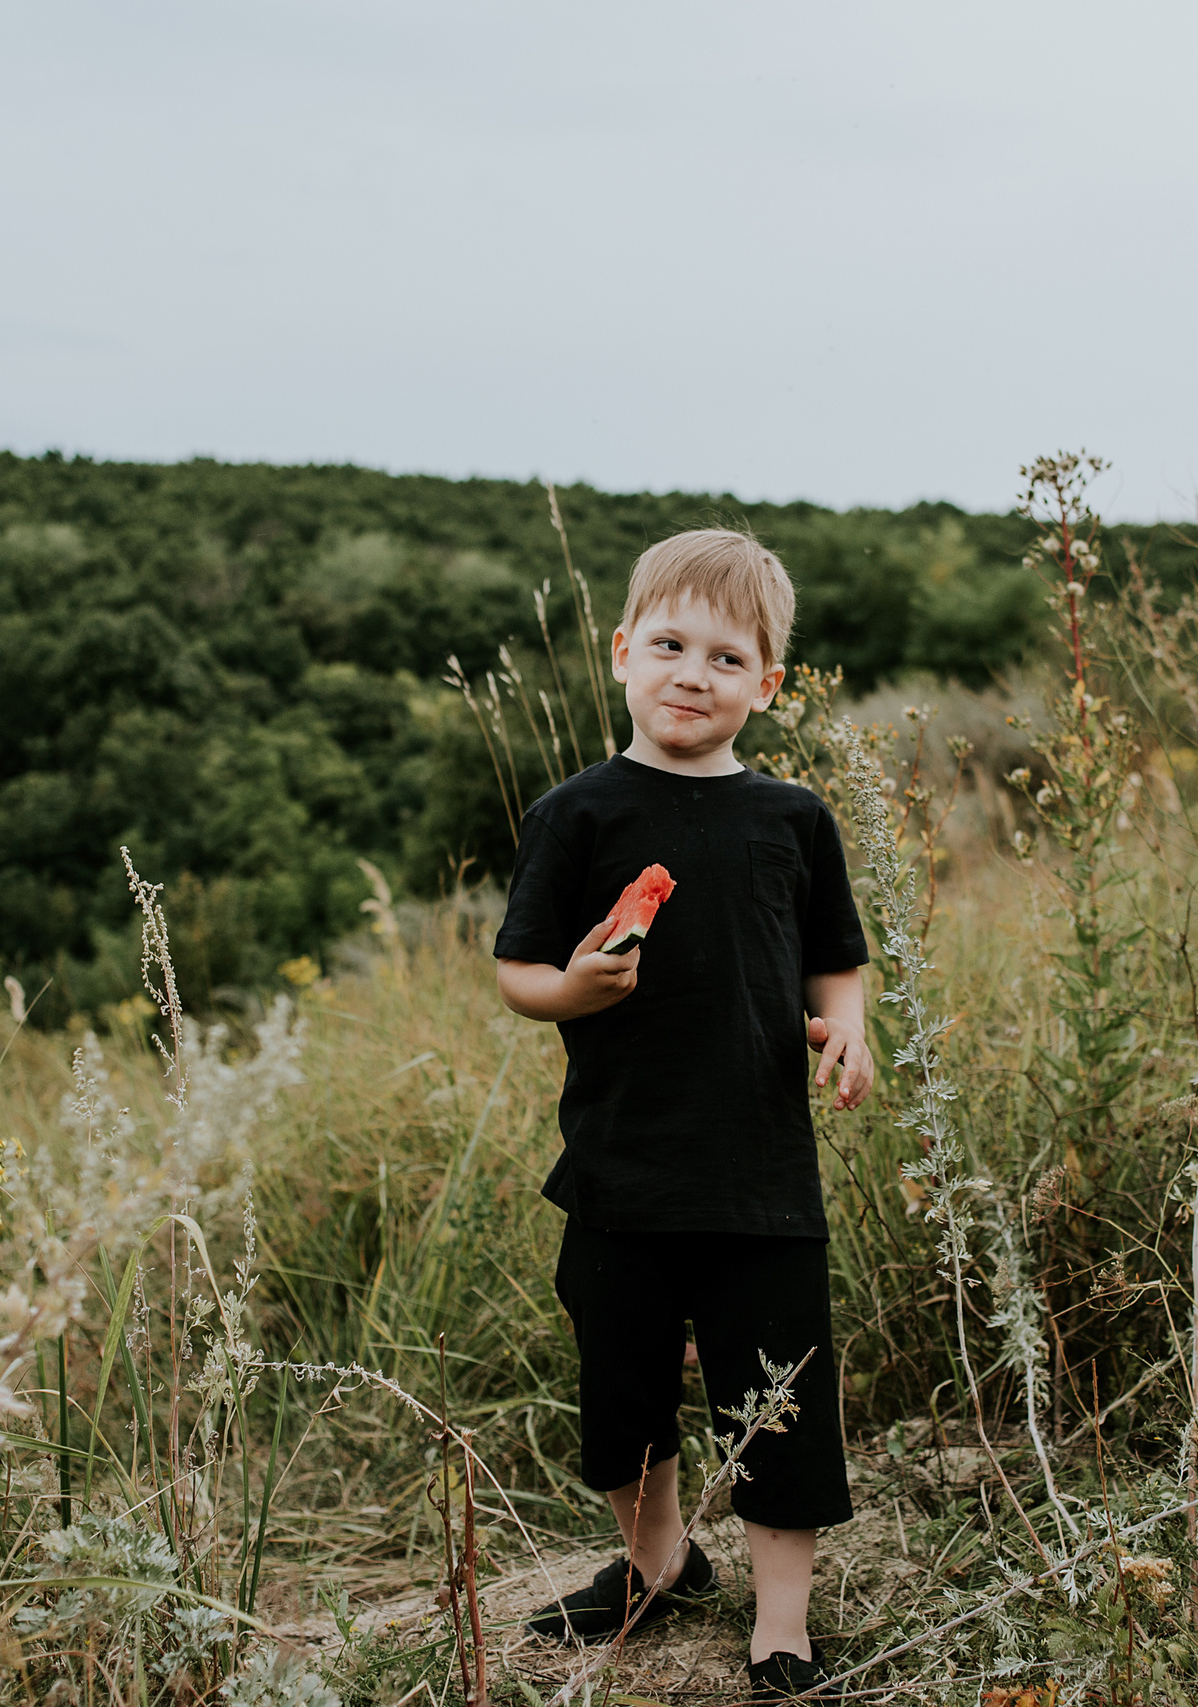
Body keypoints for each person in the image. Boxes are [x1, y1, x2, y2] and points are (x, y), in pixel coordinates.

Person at [493, 528, 874, 1703]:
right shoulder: (578, 813)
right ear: (621, 654)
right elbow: (517, 973)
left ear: (765, 685)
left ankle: (780, 1626)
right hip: (619, 1169)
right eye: (668, 645)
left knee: (779, 1404)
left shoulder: (792, 820)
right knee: (621, 1393)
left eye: (725, 657)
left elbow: (832, 961)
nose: (692, 674)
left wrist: (845, 1025)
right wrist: (575, 987)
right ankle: (656, 1563)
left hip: (762, 1174)